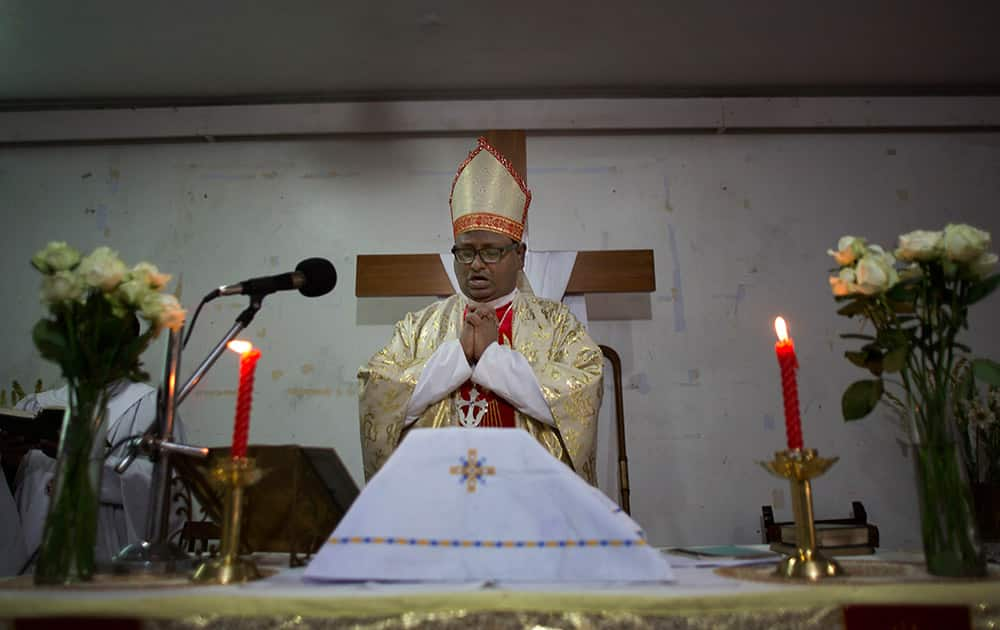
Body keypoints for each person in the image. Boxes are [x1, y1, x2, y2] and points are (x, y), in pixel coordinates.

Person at [359, 137, 604, 483]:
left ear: (519, 255)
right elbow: (377, 394)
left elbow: (583, 393)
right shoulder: (419, 327)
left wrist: (492, 359)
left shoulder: (557, 324)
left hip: (529, 496)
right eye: (465, 252)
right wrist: (456, 357)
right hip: (439, 495)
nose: (476, 265)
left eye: (491, 252)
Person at [12, 379, 185, 568]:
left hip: (102, 555)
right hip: (30, 553)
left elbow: (170, 488)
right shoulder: (34, 406)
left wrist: (87, 464)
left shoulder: (150, 407)